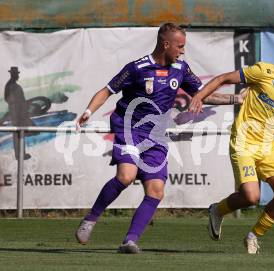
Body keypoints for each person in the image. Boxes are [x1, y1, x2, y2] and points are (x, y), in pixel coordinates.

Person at [75, 22, 245, 254]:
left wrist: (236, 100)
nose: (183, 51)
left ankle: (130, 241)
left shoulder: (181, 69)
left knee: (156, 191)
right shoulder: (137, 68)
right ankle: (91, 219)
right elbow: (107, 91)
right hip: (129, 128)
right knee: (126, 176)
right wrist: (88, 111)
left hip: (155, 135)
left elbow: (204, 94)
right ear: (166, 44)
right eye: (180, 46)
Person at [189, 41, 274, 254]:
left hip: (267, 146)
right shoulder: (263, 71)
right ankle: (218, 210)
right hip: (243, 142)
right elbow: (223, 78)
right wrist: (198, 96)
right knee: (251, 197)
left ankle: (253, 236)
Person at [4, 66, 33, 160]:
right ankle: (19, 155)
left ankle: (21, 154)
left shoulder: (12, 85)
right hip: (16, 113)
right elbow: (9, 99)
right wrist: (18, 105)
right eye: (16, 74)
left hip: (18, 112)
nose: (17, 76)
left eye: (17, 74)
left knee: (20, 133)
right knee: (18, 133)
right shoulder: (11, 85)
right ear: (13, 74)